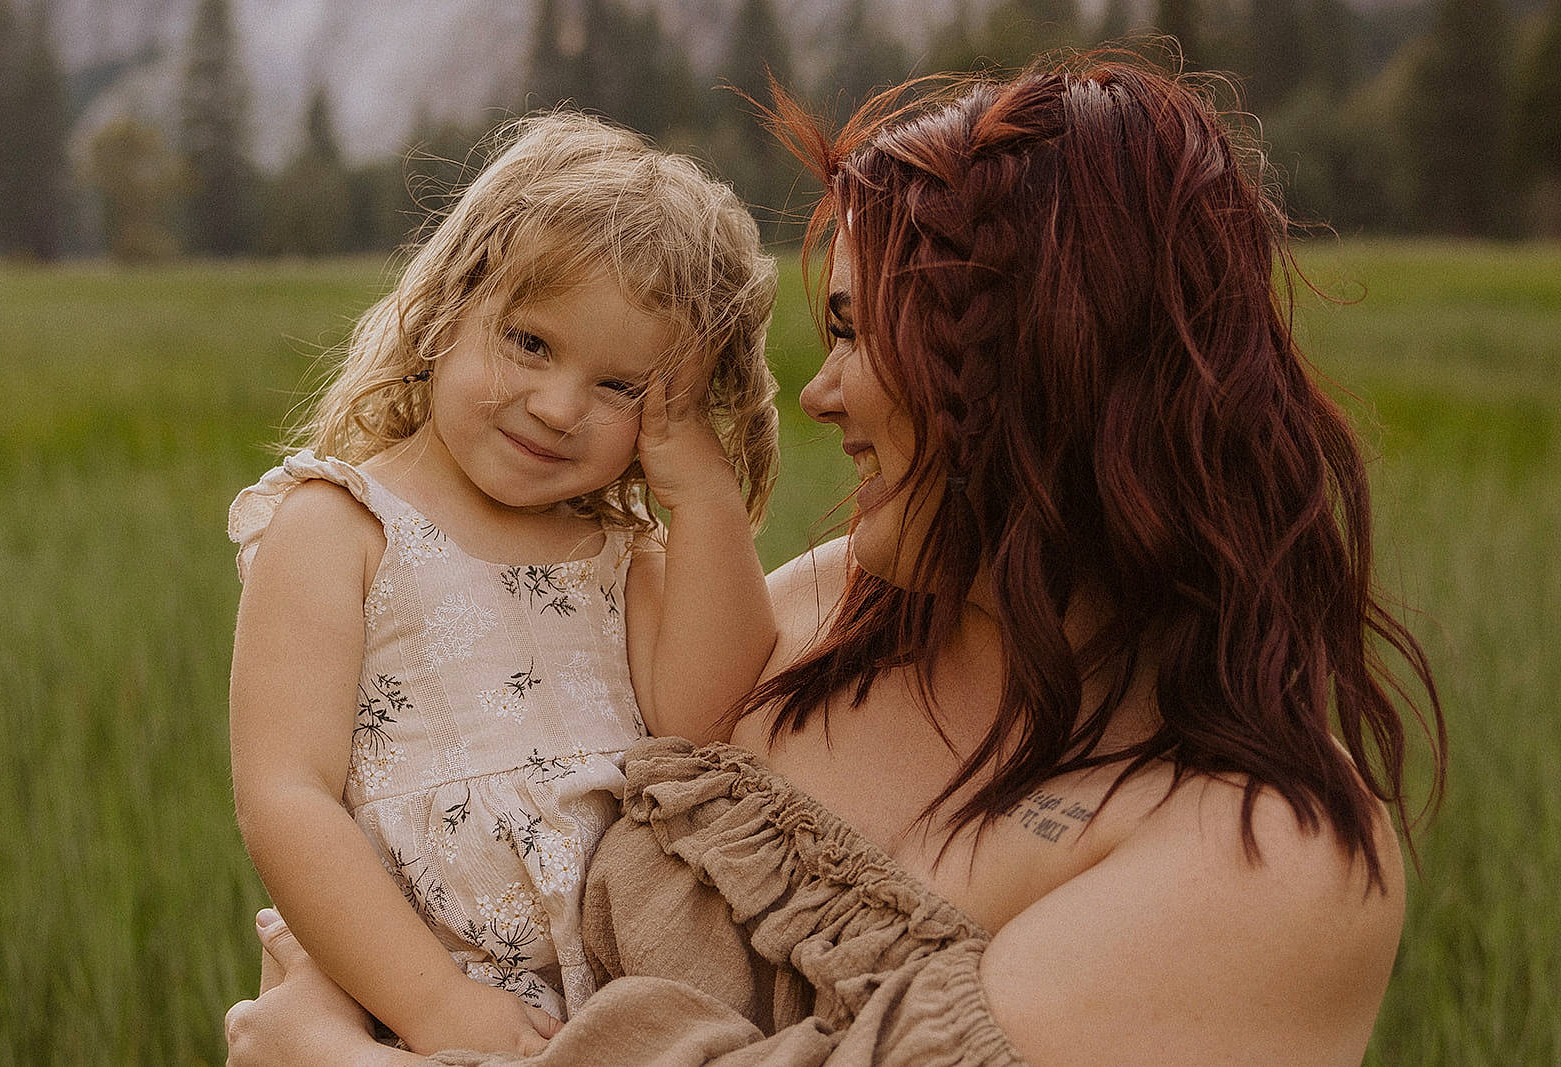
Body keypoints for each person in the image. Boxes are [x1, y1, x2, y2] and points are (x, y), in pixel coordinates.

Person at [225, 53, 1447, 1066]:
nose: (814, 393)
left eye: (859, 331)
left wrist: (334, 1059)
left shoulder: (1264, 850)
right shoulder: (826, 605)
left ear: (1037, 373)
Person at [225, 112, 780, 1057]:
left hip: (617, 1010)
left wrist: (705, 496)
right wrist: (435, 1002)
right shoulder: (340, 525)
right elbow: (287, 795)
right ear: (448, 309)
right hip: (407, 1004)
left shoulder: (625, 554)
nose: (560, 407)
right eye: (530, 343)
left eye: (622, 388)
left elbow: (708, 723)